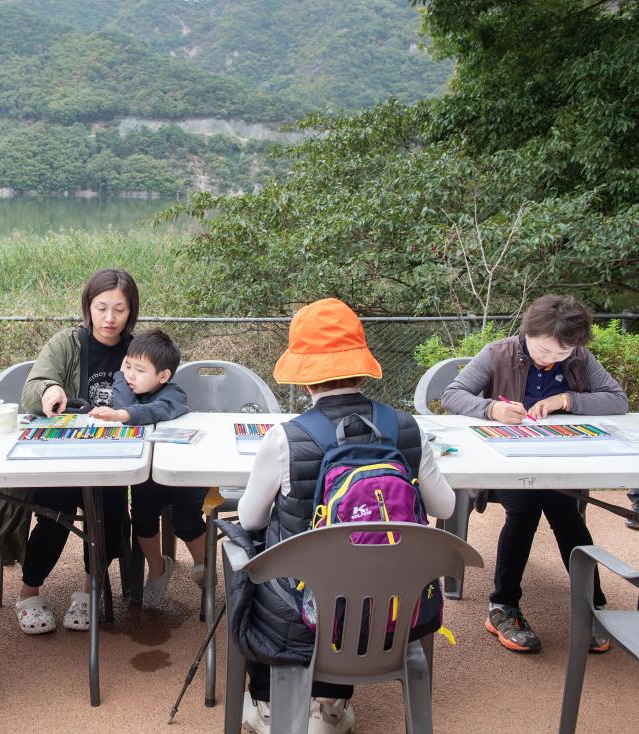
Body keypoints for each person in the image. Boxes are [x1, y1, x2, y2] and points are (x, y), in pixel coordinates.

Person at [236, 298, 455, 734]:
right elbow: (445, 508)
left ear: (304, 375)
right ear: (361, 364)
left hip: (302, 616)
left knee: (257, 566)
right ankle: (331, 708)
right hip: (396, 606)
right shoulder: (406, 428)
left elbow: (249, 518)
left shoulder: (285, 438)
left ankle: (268, 706)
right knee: (353, 571)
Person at [441, 294, 627, 654]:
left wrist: (567, 401)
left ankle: (594, 607)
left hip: (558, 461)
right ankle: (503, 605)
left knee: (564, 511)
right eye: (545, 350)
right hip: (506, 462)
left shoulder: (578, 357)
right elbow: (453, 394)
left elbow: (616, 399)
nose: (551, 359)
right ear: (529, 332)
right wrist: (491, 408)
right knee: (525, 508)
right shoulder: (498, 353)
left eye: (561, 354)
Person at [13, 268, 139, 634]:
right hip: (65, 454)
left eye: (119, 309)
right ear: (88, 306)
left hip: (114, 457)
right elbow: (33, 387)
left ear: (131, 311)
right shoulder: (66, 343)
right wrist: (50, 391)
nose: (109, 318)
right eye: (101, 308)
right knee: (55, 512)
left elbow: (164, 391)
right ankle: (28, 592)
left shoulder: (137, 349)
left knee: (112, 513)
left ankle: (89, 589)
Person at [88, 328, 205, 607]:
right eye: (127, 365)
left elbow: (157, 410)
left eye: (139, 370)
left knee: (186, 520)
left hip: (183, 475)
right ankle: (157, 568)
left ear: (162, 376)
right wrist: (122, 379)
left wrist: (124, 415)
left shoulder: (174, 393)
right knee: (141, 520)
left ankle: (203, 566)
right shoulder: (125, 388)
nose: (130, 375)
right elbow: (121, 401)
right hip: (148, 477)